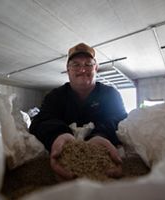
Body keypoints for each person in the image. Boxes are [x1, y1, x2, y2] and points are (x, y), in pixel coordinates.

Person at [30, 43, 127, 180]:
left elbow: (120, 119)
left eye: (88, 64)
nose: (82, 69)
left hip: (101, 153)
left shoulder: (110, 94)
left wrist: (102, 135)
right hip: (65, 155)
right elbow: (41, 121)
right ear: (68, 70)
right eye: (75, 64)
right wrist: (58, 135)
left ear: (96, 68)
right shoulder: (55, 96)